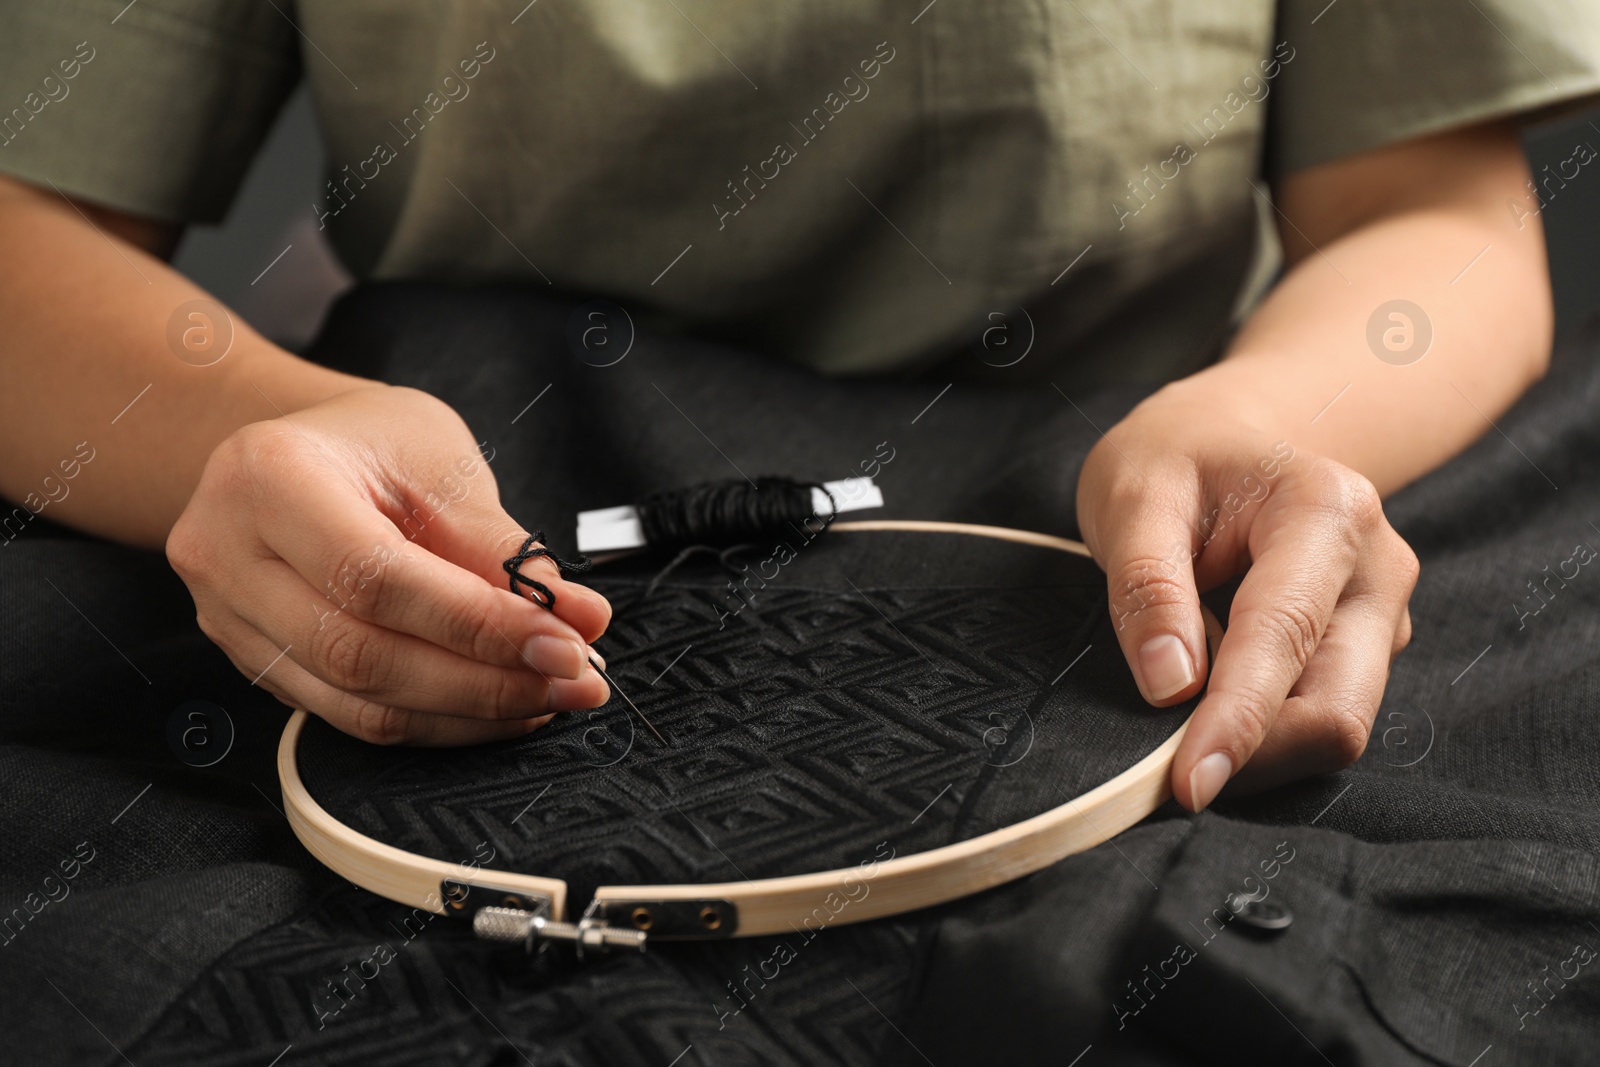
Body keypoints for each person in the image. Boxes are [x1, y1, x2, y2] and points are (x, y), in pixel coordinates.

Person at [0, 1, 1595, 814]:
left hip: (1136, 519)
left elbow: (1438, 221)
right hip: (458, 515)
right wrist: (235, 432)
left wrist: (1277, 418)